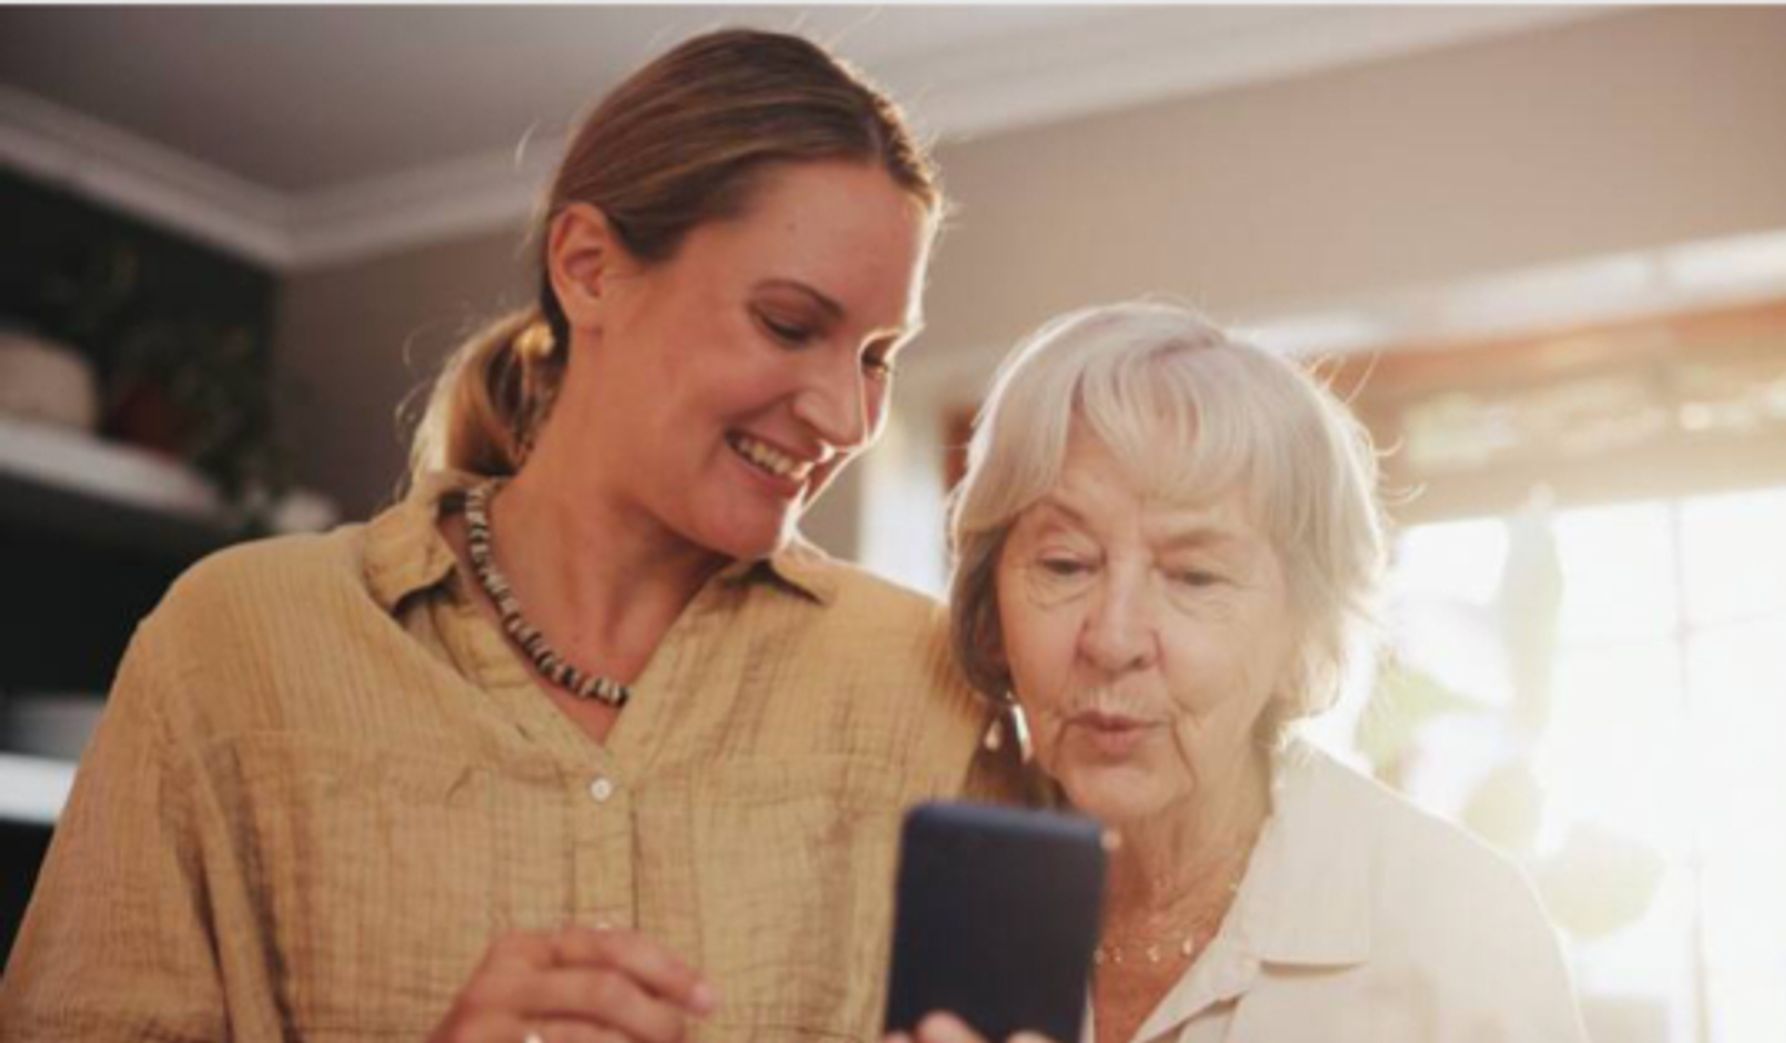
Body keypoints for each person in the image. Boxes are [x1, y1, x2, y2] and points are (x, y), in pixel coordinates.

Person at [0, 28, 1001, 1043]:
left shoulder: (925, 686)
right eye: (788, 324)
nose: (843, 413)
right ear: (587, 267)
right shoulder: (235, 643)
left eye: (877, 355)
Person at [927, 302, 1586, 1043]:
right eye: (1065, 563)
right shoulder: (932, 892)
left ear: (1304, 629)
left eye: (1195, 577)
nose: (1112, 638)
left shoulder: (1460, 925)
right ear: (989, 603)